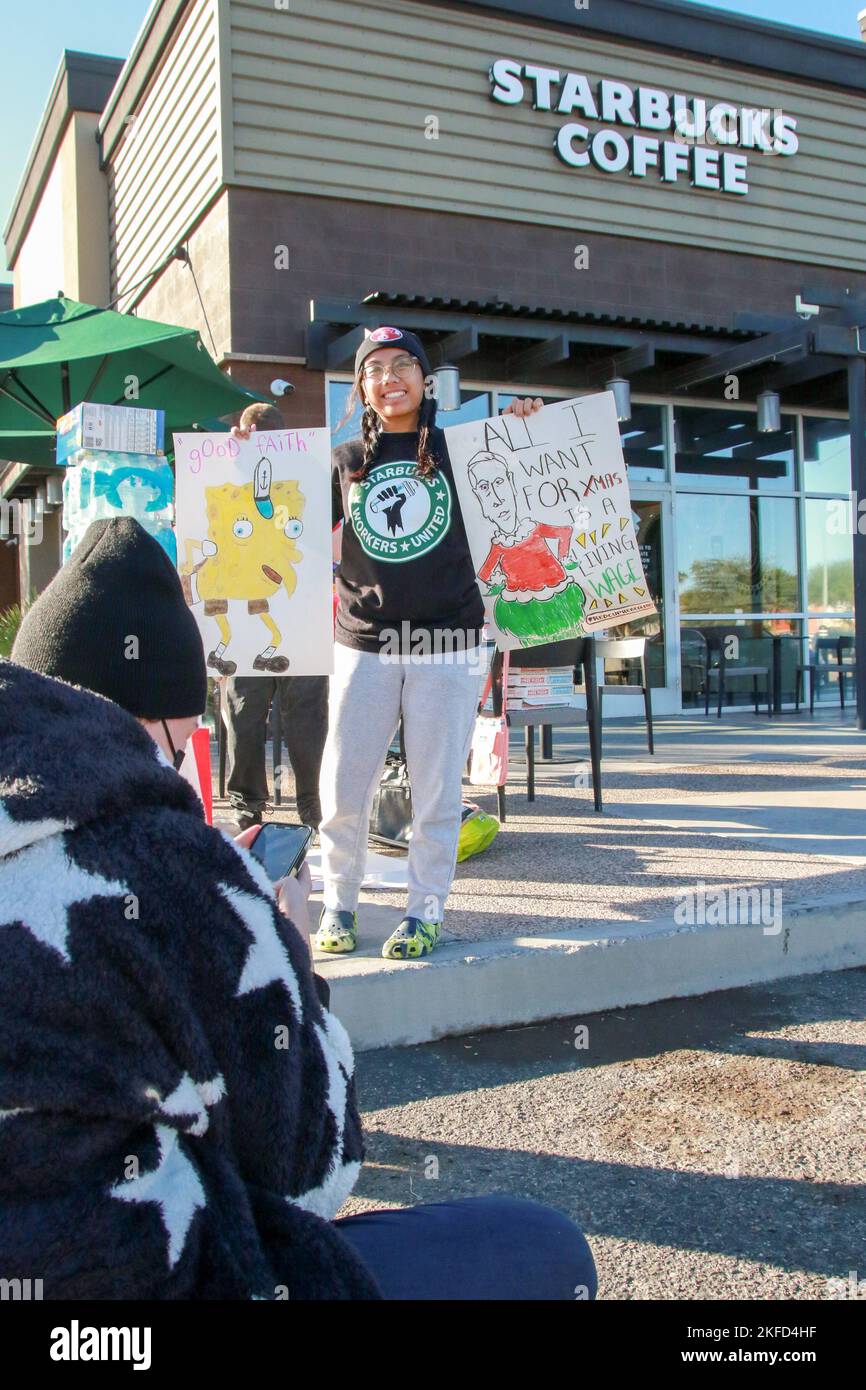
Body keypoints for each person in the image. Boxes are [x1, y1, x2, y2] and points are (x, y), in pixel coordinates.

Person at [2, 517, 596, 1300]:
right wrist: (277, 938)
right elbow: (314, 1168)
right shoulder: (179, 869)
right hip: (130, 1292)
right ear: (164, 720)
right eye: (188, 728)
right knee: (542, 1249)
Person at [317, 326, 544, 960]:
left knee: (437, 788)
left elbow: (523, 495)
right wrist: (246, 452)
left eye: (402, 366)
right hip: (362, 641)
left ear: (425, 378)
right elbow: (275, 506)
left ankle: (424, 912)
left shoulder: (462, 451)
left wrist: (525, 427)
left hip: (448, 642)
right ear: (361, 386)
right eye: (374, 369)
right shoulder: (341, 461)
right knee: (344, 783)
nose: (389, 378)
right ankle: (339, 902)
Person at [224, 401, 328, 831]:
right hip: (269, 607)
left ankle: (260, 805)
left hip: (291, 607)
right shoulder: (229, 472)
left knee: (260, 712)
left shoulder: (310, 475)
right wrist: (231, 457)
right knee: (277, 714)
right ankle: (306, 805)